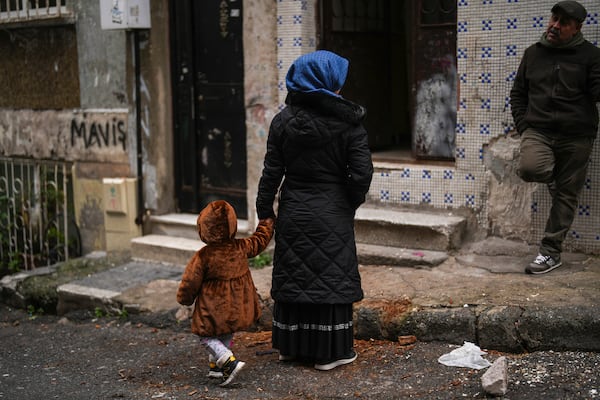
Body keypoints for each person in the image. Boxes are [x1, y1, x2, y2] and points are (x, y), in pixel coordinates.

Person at [256, 50, 373, 370]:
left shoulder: (282, 121)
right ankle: (330, 353)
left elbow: (271, 172)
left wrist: (265, 209)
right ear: (328, 83)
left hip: (294, 208)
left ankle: (291, 349)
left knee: (296, 274)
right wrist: (348, 202)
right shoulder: (350, 122)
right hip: (333, 209)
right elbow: (361, 173)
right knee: (330, 277)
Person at [510, 1, 600, 274]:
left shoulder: (591, 56)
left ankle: (550, 252)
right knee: (530, 168)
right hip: (539, 131)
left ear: (577, 28)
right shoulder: (533, 54)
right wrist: (525, 126)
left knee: (567, 196)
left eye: (563, 23)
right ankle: (553, 179)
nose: (555, 26)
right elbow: (518, 94)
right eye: (554, 19)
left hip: (577, 136)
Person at [176, 200, 274, 386]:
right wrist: (267, 223)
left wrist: (185, 298)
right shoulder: (241, 246)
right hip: (238, 304)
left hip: (214, 306)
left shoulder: (204, 256)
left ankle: (227, 361)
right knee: (226, 331)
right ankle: (216, 367)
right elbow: (260, 240)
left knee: (206, 336)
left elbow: (190, 281)